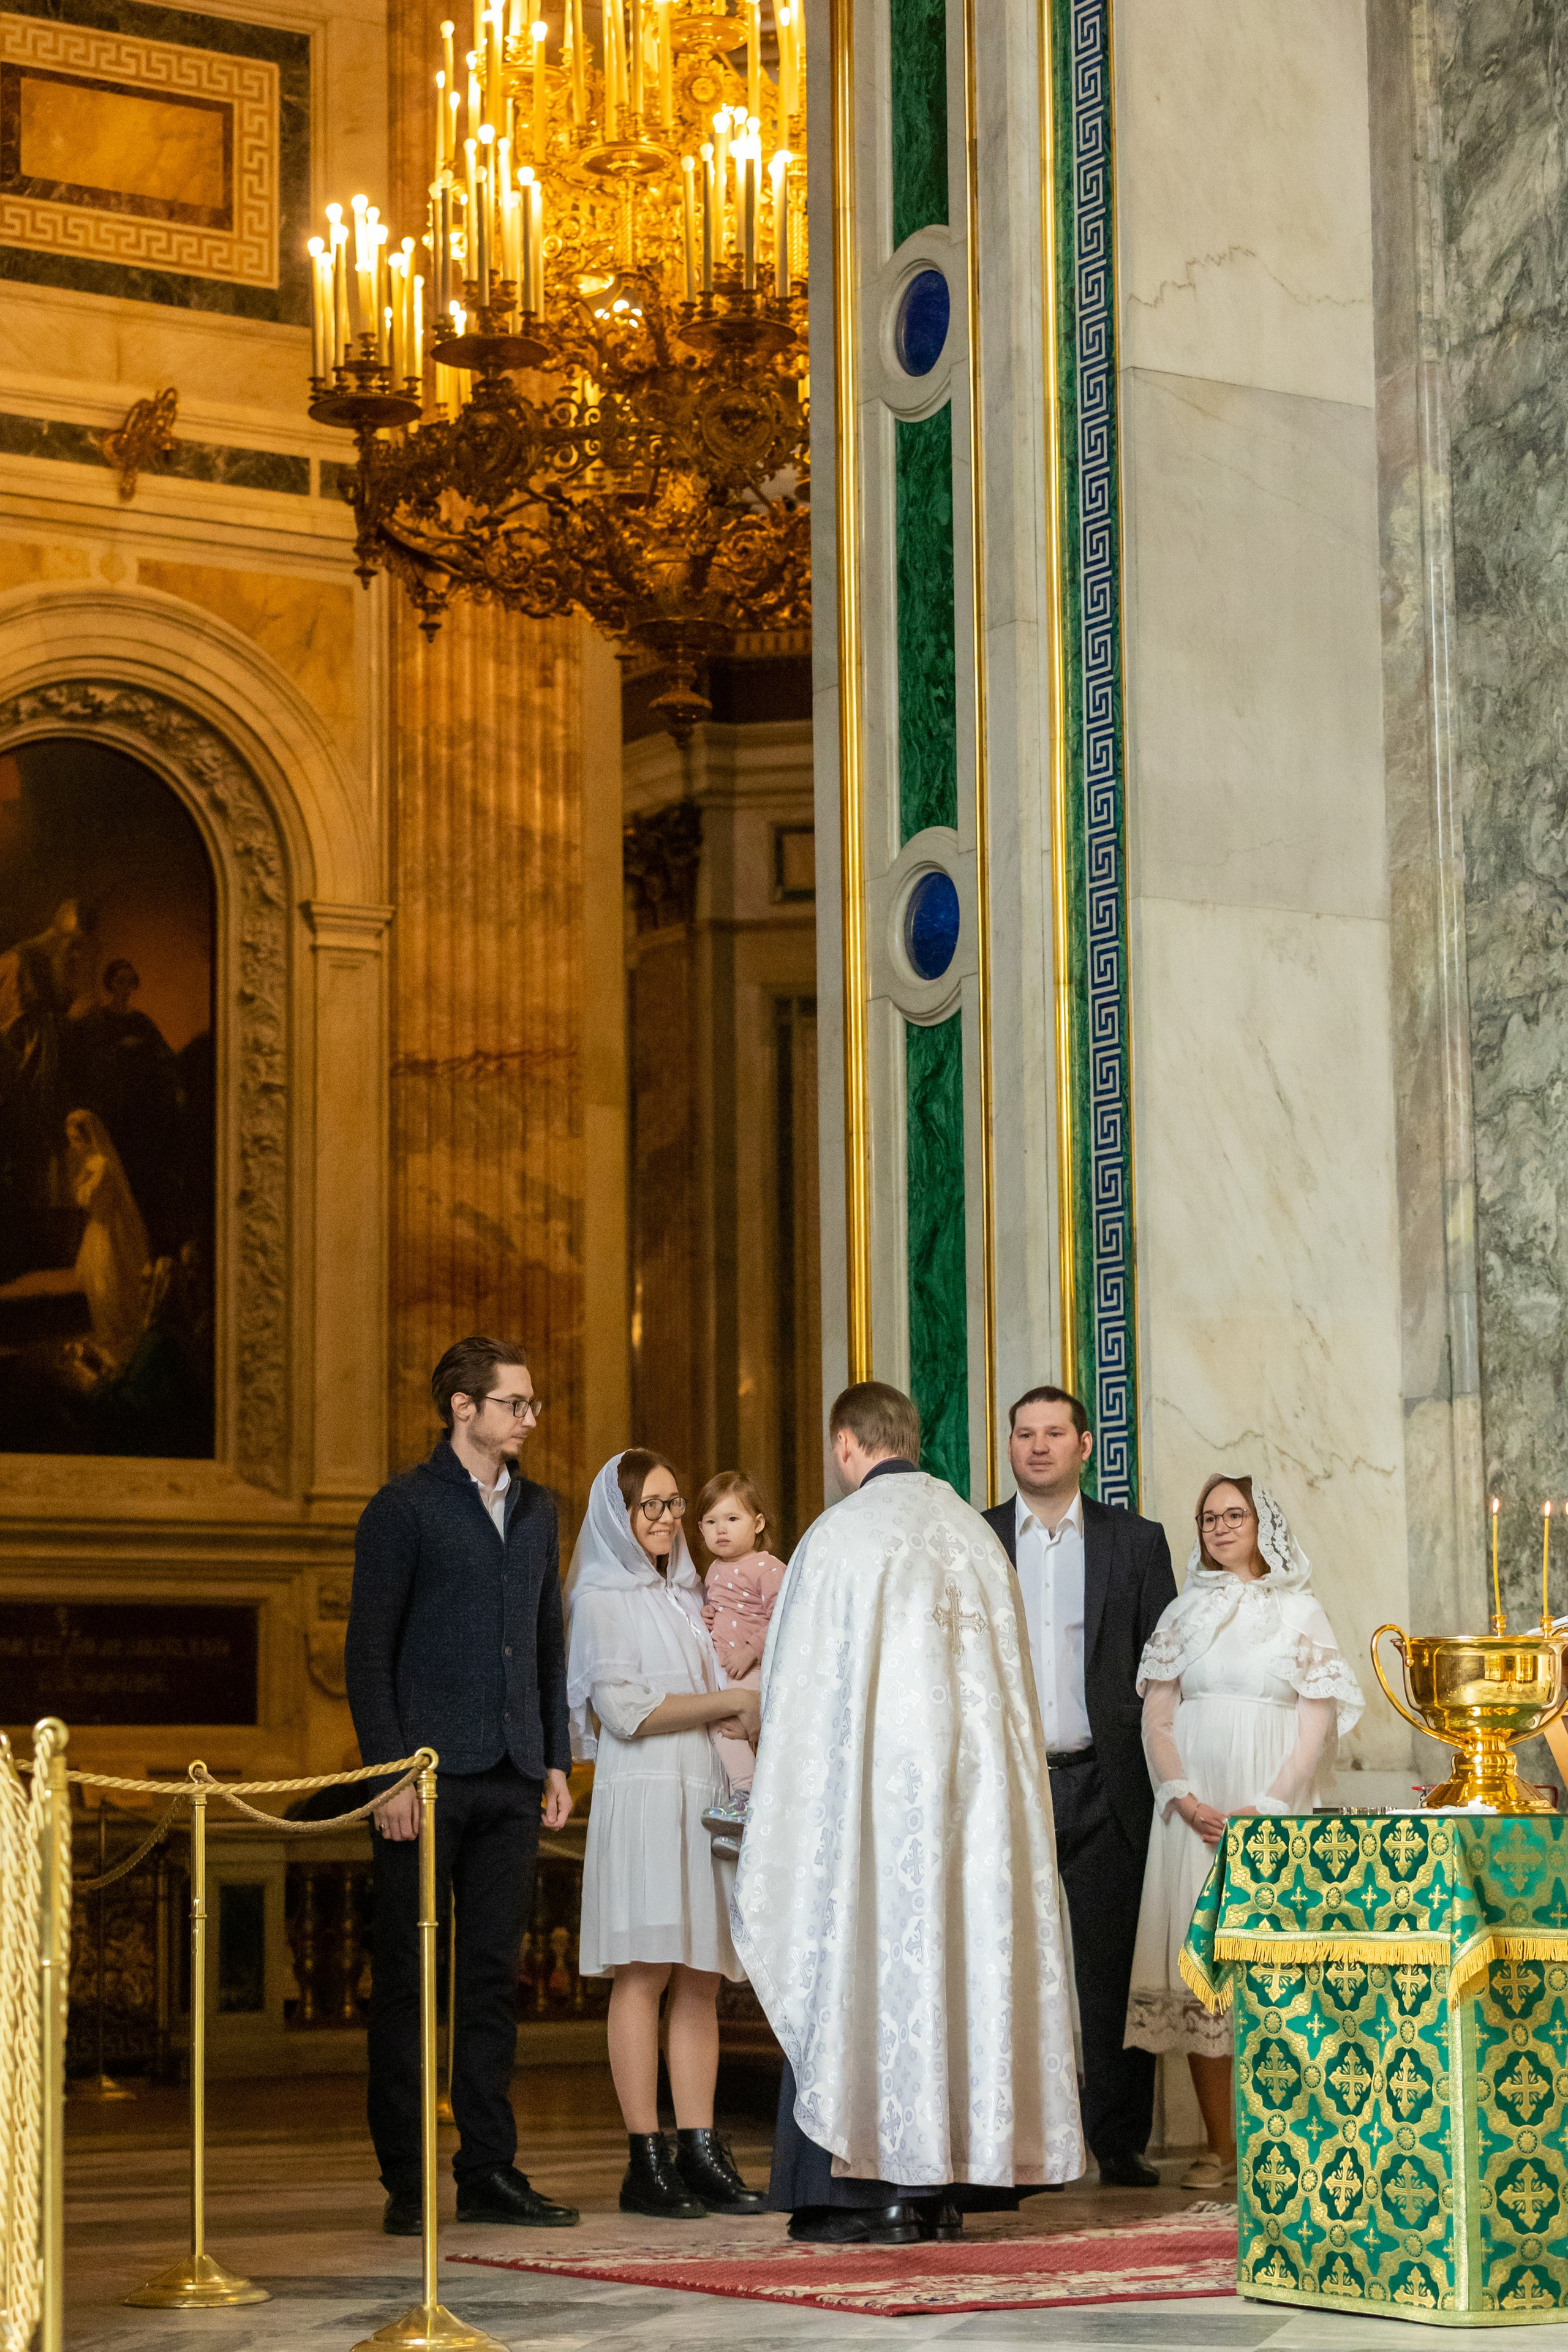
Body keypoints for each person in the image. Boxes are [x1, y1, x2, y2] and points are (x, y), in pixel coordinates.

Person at [736, 1381, 1084, 2247]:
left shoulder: (841, 1538)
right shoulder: (977, 1536)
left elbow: (799, 1692)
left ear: (846, 1444)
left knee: (870, 1981)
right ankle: (939, 2191)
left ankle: (867, 2193)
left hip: (877, 1822)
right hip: (978, 1823)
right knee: (956, 1978)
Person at [345, 1336, 579, 2236]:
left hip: (515, 1776)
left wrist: (556, 1756)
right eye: (513, 1403)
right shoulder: (402, 1509)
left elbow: (546, 1641)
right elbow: (368, 1654)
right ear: (463, 1408)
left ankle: (487, 2168)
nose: (528, 1417)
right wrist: (391, 1771)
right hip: (425, 1783)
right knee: (408, 1979)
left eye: (531, 1404)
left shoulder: (538, 1509)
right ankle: (408, 2182)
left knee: (490, 1980)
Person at [1124, 1474, 1362, 2190]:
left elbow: (1316, 1722)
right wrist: (1183, 1797)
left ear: (1264, 1524)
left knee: (1270, 1973)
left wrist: (1271, 1804)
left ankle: (1280, 2142)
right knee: (1202, 1978)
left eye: (1235, 1515)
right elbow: (1156, 1719)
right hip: (1194, 1817)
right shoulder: (1181, 1611)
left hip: (1269, 1815)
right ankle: (1217, 2148)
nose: (1221, 1527)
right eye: (1207, 1518)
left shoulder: (1300, 1611)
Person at [565, 1450, 768, 2220]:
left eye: (675, 1502)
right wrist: (728, 1700)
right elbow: (625, 1711)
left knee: (701, 1976)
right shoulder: (600, 1598)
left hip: (702, 1792)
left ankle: (700, 2146)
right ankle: (643, 2157)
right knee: (644, 1970)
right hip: (645, 1794)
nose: (668, 1518)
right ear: (617, 1515)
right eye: (650, 1505)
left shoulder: (691, 1595)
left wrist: (734, 1702)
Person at [982, 1386, 1176, 2188]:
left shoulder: (1136, 1543)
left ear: (1085, 1446)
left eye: (1053, 1433)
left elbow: (1165, 1664)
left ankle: (1119, 2140)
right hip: (1006, 1785)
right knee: (1006, 1965)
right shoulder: (978, 1538)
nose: (1037, 1447)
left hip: (1106, 1780)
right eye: (1024, 1434)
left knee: (1109, 1966)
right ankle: (1009, 2142)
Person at [696, 1471, 787, 1796]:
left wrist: (751, 1650)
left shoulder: (768, 1567)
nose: (721, 1529)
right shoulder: (713, 1570)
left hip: (753, 1671)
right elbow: (724, 1610)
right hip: (724, 1672)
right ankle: (745, 1789)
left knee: (727, 1730)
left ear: (758, 1524)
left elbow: (785, 1618)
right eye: (710, 1522)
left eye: (732, 1518)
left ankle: (746, 1793)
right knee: (721, 1730)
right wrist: (708, 1614)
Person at [64, 1107, 150, 1369]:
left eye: (76, 1139)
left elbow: (87, 1200)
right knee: (100, 1289)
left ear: (89, 1138)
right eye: (71, 1139)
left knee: (108, 1287)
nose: (73, 1145)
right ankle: (111, 1344)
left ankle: (118, 1348)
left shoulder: (101, 1165)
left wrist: (80, 1184)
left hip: (108, 1232)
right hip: (99, 1229)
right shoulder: (94, 1165)